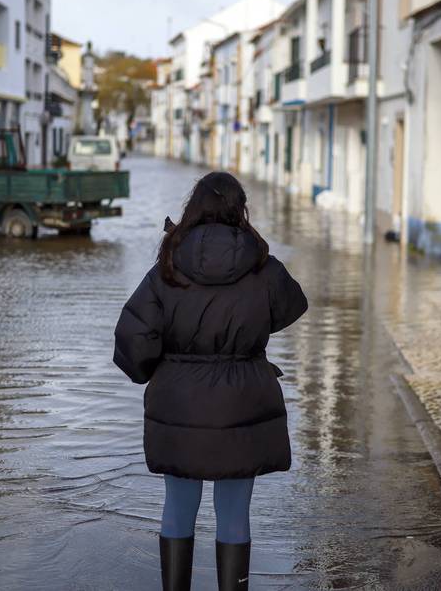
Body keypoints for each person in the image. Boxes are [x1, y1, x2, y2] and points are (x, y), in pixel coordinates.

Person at [113, 171, 308, 591]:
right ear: (241, 211)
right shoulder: (263, 266)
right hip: (244, 402)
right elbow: (294, 305)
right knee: (235, 513)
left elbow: (133, 335)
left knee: (178, 507)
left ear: (193, 209)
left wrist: (154, 373)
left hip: (179, 405)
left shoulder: (167, 264)